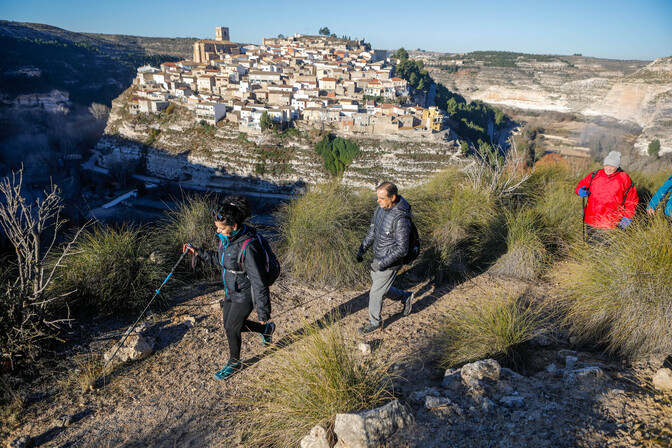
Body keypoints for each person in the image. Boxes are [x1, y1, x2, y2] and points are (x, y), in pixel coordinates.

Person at [182, 195, 274, 381]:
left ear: (234, 226)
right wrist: (198, 252)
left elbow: (259, 282)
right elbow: (221, 259)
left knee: (232, 328)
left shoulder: (249, 247)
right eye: (217, 227)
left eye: (221, 228)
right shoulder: (227, 240)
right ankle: (266, 331)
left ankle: (235, 362)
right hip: (230, 290)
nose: (218, 231)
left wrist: (263, 313)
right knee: (229, 325)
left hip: (245, 293)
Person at [356, 182, 415, 334]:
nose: (378, 201)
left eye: (381, 198)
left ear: (392, 197)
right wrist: (362, 249)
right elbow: (373, 231)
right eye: (377, 197)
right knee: (382, 288)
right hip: (378, 258)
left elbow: (402, 249)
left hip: (389, 263)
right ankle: (405, 296)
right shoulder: (380, 209)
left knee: (375, 292)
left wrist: (381, 263)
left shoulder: (401, 219)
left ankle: (375, 323)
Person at [575, 151, 639, 244]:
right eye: (606, 165)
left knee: (605, 248)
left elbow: (631, 199)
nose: (608, 168)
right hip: (591, 218)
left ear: (617, 167)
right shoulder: (595, 174)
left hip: (610, 222)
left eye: (612, 166)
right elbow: (582, 184)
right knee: (591, 244)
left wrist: (628, 217)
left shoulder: (624, 178)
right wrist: (579, 190)